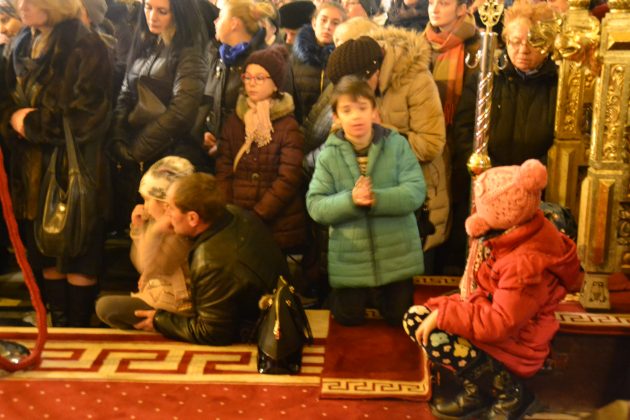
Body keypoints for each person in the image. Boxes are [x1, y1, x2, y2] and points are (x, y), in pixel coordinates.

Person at [403, 159, 582, 419]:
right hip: (494, 316)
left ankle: (511, 395)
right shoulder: (519, 232)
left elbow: (500, 324)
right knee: (419, 317)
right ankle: (478, 390)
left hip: (518, 342)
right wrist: (447, 309)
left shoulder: (524, 264)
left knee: (433, 327)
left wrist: (446, 314)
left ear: (503, 213)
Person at [0, 0, 113, 326]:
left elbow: (88, 118)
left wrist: (30, 124)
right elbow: (7, 100)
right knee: (45, 255)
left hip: (74, 168)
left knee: (76, 255)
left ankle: (77, 330)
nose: (21, 6)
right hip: (30, 169)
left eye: (31, 1)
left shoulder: (86, 45)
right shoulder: (22, 43)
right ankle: (58, 326)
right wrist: (12, 118)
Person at [306, 76, 425, 327]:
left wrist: (376, 198)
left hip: (395, 254)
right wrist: (350, 201)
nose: (356, 116)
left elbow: (415, 191)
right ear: (336, 117)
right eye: (347, 110)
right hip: (351, 258)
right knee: (347, 319)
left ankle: (381, 296)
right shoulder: (328, 155)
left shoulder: (396, 144)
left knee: (399, 318)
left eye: (362, 108)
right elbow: (315, 205)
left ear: (374, 112)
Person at [449, 0, 558, 273]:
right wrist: (489, 176)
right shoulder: (487, 78)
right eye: (515, 41)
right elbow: (464, 130)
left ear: (547, 43)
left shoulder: (558, 85)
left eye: (532, 42)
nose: (523, 50)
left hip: (536, 192)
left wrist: (531, 181)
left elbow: (562, 142)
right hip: (489, 188)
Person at [134, 172, 289, 345]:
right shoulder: (233, 213)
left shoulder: (210, 262)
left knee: (113, 309)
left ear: (193, 218)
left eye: (171, 208)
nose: (167, 214)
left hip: (255, 325)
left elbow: (212, 332)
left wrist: (160, 321)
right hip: (272, 303)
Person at [108, 0, 210, 233]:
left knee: (161, 235)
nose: (152, 16)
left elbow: (182, 112)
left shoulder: (190, 52)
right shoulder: (147, 42)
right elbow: (125, 92)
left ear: (179, 13)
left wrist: (136, 149)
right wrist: (118, 136)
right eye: (148, 7)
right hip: (140, 150)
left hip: (169, 153)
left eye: (162, 11)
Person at [215, 45, 306, 253]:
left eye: (259, 78)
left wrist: (258, 214)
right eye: (247, 77)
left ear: (275, 85)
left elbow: (288, 178)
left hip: (278, 223)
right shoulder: (236, 120)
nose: (251, 83)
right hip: (238, 218)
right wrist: (230, 211)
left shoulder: (287, 125)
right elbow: (223, 168)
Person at [95, 156, 194, 330]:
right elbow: (143, 263)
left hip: (176, 303)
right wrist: (139, 228)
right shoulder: (161, 223)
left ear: (165, 204)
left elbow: (146, 264)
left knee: (106, 307)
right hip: (157, 294)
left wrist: (152, 232)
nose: (145, 206)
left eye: (148, 199)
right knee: (106, 304)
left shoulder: (176, 230)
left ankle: (162, 327)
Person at [423, 0, 480, 275]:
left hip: (460, 136)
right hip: (431, 136)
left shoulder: (476, 47)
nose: (434, 8)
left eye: (443, 3)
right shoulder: (421, 44)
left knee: (458, 203)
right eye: (431, 2)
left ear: (461, 9)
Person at [202, 0, 278, 155]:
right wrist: (204, 132)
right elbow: (207, 102)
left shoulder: (265, 63)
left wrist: (224, 146)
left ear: (234, 23)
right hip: (214, 153)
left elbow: (267, 123)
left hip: (247, 157)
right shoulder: (221, 56)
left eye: (220, 17)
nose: (215, 21)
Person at [290, 1, 346, 122]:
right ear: (314, 23)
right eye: (323, 20)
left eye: (335, 23)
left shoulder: (344, 60)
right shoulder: (295, 57)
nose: (328, 27)